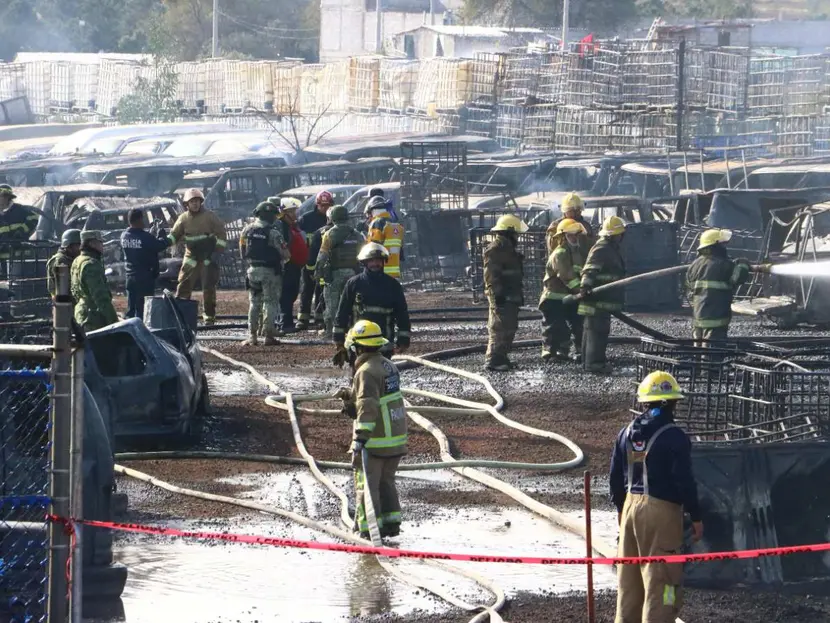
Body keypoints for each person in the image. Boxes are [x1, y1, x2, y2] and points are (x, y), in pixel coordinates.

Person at [610, 370, 703, 623]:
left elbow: (615, 478)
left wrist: (621, 510)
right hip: (662, 514)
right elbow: (685, 480)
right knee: (664, 583)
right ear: (671, 403)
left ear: (645, 401)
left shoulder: (625, 433)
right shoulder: (675, 436)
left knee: (629, 585)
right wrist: (696, 516)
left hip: (629, 509)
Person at [336, 319, 408, 539]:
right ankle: (391, 524)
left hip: (375, 440)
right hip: (395, 438)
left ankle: (368, 531)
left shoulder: (365, 371)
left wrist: (360, 438)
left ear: (358, 348)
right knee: (386, 482)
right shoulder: (388, 365)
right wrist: (351, 396)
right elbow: (376, 396)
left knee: (367, 486)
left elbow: (368, 406)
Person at [333, 243, 410, 366]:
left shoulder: (393, 286)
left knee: (382, 375)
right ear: (364, 262)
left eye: (378, 260)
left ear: (383, 262)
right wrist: (339, 341)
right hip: (358, 345)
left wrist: (403, 340)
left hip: (383, 345)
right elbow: (342, 313)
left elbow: (402, 314)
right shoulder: (353, 284)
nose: (375, 264)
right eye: (371, 261)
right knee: (359, 375)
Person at [168, 188, 227, 325]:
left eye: (197, 201)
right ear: (186, 204)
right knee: (183, 284)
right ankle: (181, 317)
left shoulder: (210, 216)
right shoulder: (183, 219)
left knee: (208, 287)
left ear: (201, 202)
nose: (195, 204)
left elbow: (221, 234)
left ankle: (209, 317)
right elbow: (174, 235)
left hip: (208, 256)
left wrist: (217, 252)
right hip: (191, 256)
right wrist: (164, 241)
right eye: (192, 201)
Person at [686, 229, 751, 347]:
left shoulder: (694, 265)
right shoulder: (724, 264)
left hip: (698, 317)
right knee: (713, 351)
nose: (724, 247)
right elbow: (738, 278)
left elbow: (689, 287)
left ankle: (698, 359)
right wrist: (743, 264)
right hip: (716, 319)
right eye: (722, 244)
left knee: (698, 348)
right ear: (714, 246)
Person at [578, 215, 626, 374]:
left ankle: (588, 362)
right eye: (619, 234)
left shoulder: (609, 248)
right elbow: (589, 269)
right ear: (613, 235)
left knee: (592, 331)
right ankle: (595, 365)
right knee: (597, 332)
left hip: (601, 299)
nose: (621, 237)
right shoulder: (602, 248)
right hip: (596, 300)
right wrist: (585, 286)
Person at [239, 201, 290, 346]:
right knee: (270, 302)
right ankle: (268, 335)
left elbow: (242, 252)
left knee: (254, 303)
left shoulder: (246, 230)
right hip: (270, 272)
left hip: (252, 271)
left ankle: (252, 336)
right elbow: (286, 254)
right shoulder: (274, 233)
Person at [539, 218, 587, 362]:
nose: (575, 238)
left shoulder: (576, 253)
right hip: (554, 298)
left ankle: (577, 351)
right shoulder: (560, 253)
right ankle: (551, 353)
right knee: (555, 327)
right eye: (571, 235)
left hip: (570, 297)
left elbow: (579, 273)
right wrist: (580, 290)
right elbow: (567, 276)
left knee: (578, 323)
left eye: (576, 235)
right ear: (563, 237)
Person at [483, 215, 527, 372]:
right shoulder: (495, 249)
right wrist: (497, 295)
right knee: (499, 327)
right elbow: (491, 276)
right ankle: (493, 359)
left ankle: (502, 357)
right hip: (502, 296)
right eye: (516, 234)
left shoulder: (507, 249)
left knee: (509, 327)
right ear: (509, 233)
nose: (518, 237)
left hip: (511, 295)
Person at [315, 205, 365, 338]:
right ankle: (356, 330)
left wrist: (318, 273)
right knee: (354, 304)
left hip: (334, 274)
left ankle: (331, 331)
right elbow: (364, 255)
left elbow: (322, 256)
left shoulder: (329, 234)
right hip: (353, 274)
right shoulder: (357, 234)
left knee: (332, 304)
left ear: (333, 218)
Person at [120, 208, 171, 320]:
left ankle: (130, 328)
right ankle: (141, 329)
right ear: (139, 220)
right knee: (143, 310)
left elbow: (141, 244)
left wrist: (150, 234)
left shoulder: (124, 236)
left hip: (130, 277)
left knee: (131, 309)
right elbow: (159, 245)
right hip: (144, 279)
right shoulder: (145, 237)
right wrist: (162, 236)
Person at [297, 190, 333, 330]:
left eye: (327, 205)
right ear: (317, 205)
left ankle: (319, 318)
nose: (325, 208)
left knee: (322, 289)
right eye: (322, 205)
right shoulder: (306, 219)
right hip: (309, 260)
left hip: (325, 261)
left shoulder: (332, 220)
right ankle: (303, 318)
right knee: (307, 289)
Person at [70, 230, 118, 332]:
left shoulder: (77, 260)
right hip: (93, 319)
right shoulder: (91, 264)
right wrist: (114, 322)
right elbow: (101, 298)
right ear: (92, 244)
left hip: (82, 314)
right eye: (100, 242)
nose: (102, 245)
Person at [274, 197, 308, 333]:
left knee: (291, 293)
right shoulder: (281, 226)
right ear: (284, 213)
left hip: (294, 266)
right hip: (287, 267)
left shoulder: (291, 226)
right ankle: (284, 323)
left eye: (295, 211)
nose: (295, 214)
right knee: (286, 295)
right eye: (291, 211)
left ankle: (286, 322)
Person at [365, 195, 404, 280]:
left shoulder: (377, 223)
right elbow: (401, 253)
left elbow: (373, 249)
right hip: (395, 272)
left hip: (381, 272)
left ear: (372, 211)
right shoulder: (396, 224)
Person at [46, 229, 81, 299]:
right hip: (65, 301)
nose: (81, 248)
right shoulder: (60, 260)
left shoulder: (71, 258)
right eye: (78, 245)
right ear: (69, 246)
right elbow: (62, 291)